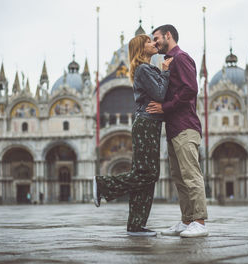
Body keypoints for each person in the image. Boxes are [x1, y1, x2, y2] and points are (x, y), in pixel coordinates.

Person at [93, 34, 173, 237]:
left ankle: (136, 225)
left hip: (150, 124)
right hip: (146, 123)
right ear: (140, 48)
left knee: (148, 174)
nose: (154, 43)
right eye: (148, 41)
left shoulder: (145, 69)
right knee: (147, 173)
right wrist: (165, 72)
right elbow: (160, 94)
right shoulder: (144, 68)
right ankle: (103, 184)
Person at [146, 24, 209, 238]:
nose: (155, 43)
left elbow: (190, 89)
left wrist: (165, 107)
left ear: (168, 35)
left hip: (185, 126)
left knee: (191, 174)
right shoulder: (169, 62)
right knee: (179, 177)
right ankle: (186, 220)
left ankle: (199, 222)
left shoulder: (181, 58)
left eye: (156, 38)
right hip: (174, 128)